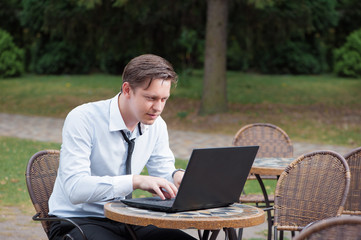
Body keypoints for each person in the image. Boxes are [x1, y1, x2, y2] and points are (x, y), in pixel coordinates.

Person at [48, 54, 196, 240]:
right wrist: (135, 181)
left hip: (127, 219)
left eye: (164, 99)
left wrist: (176, 177)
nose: (158, 108)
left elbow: (162, 169)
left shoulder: (157, 125)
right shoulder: (83, 118)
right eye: (151, 98)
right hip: (76, 220)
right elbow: (75, 188)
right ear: (127, 90)